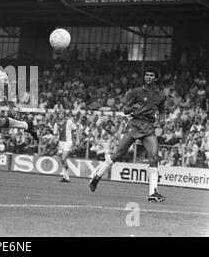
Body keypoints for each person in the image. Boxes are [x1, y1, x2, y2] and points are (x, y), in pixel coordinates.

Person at [89, 66, 167, 202]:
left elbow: (162, 111)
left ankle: (153, 193)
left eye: (151, 75)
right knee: (118, 154)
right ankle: (97, 176)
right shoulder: (136, 92)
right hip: (135, 124)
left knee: (154, 158)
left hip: (148, 127)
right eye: (147, 75)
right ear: (144, 77)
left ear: (156, 78)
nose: (148, 77)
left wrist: (162, 120)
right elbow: (125, 110)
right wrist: (132, 108)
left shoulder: (160, 96)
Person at [53, 111, 77, 182]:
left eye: (62, 114)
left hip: (68, 142)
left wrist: (77, 139)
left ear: (64, 115)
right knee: (63, 160)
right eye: (59, 114)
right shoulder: (56, 124)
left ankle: (65, 176)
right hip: (60, 143)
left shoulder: (69, 122)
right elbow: (55, 134)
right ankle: (66, 177)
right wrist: (50, 142)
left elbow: (75, 129)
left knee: (63, 158)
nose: (60, 115)